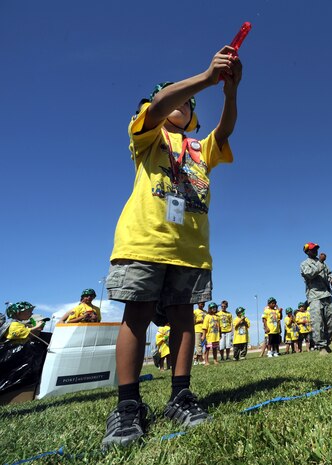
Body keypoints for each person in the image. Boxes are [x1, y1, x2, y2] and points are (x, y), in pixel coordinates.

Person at [102, 44, 242, 448]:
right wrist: (204, 77)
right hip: (145, 241)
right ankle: (128, 406)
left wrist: (229, 92)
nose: (180, 103)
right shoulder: (148, 135)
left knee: (184, 317)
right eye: (174, 96)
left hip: (190, 248)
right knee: (137, 314)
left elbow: (227, 130)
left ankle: (180, 395)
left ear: (194, 117)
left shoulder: (200, 148)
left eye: (189, 102)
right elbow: (162, 102)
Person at [300, 243, 332, 354]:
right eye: (313, 249)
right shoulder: (304, 264)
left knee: (331, 321)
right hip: (314, 296)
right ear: (307, 252)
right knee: (318, 322)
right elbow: (309, 274)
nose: (316, 251)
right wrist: (320, 262)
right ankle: (321, 346)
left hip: (326, 294)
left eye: (316, 249)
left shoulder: (323, 264)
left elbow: (330, 273)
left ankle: (327, 344)